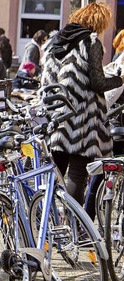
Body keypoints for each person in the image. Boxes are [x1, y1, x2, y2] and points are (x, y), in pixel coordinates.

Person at [41, 2, 124, 215]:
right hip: (82, 117)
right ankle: (75, 225)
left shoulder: (56, 41)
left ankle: (43, 222)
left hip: (57, 113)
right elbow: (97, 82)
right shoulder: (90, 42)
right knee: (77, 173)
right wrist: (119, 80)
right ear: (97, 21)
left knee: (54, 171)